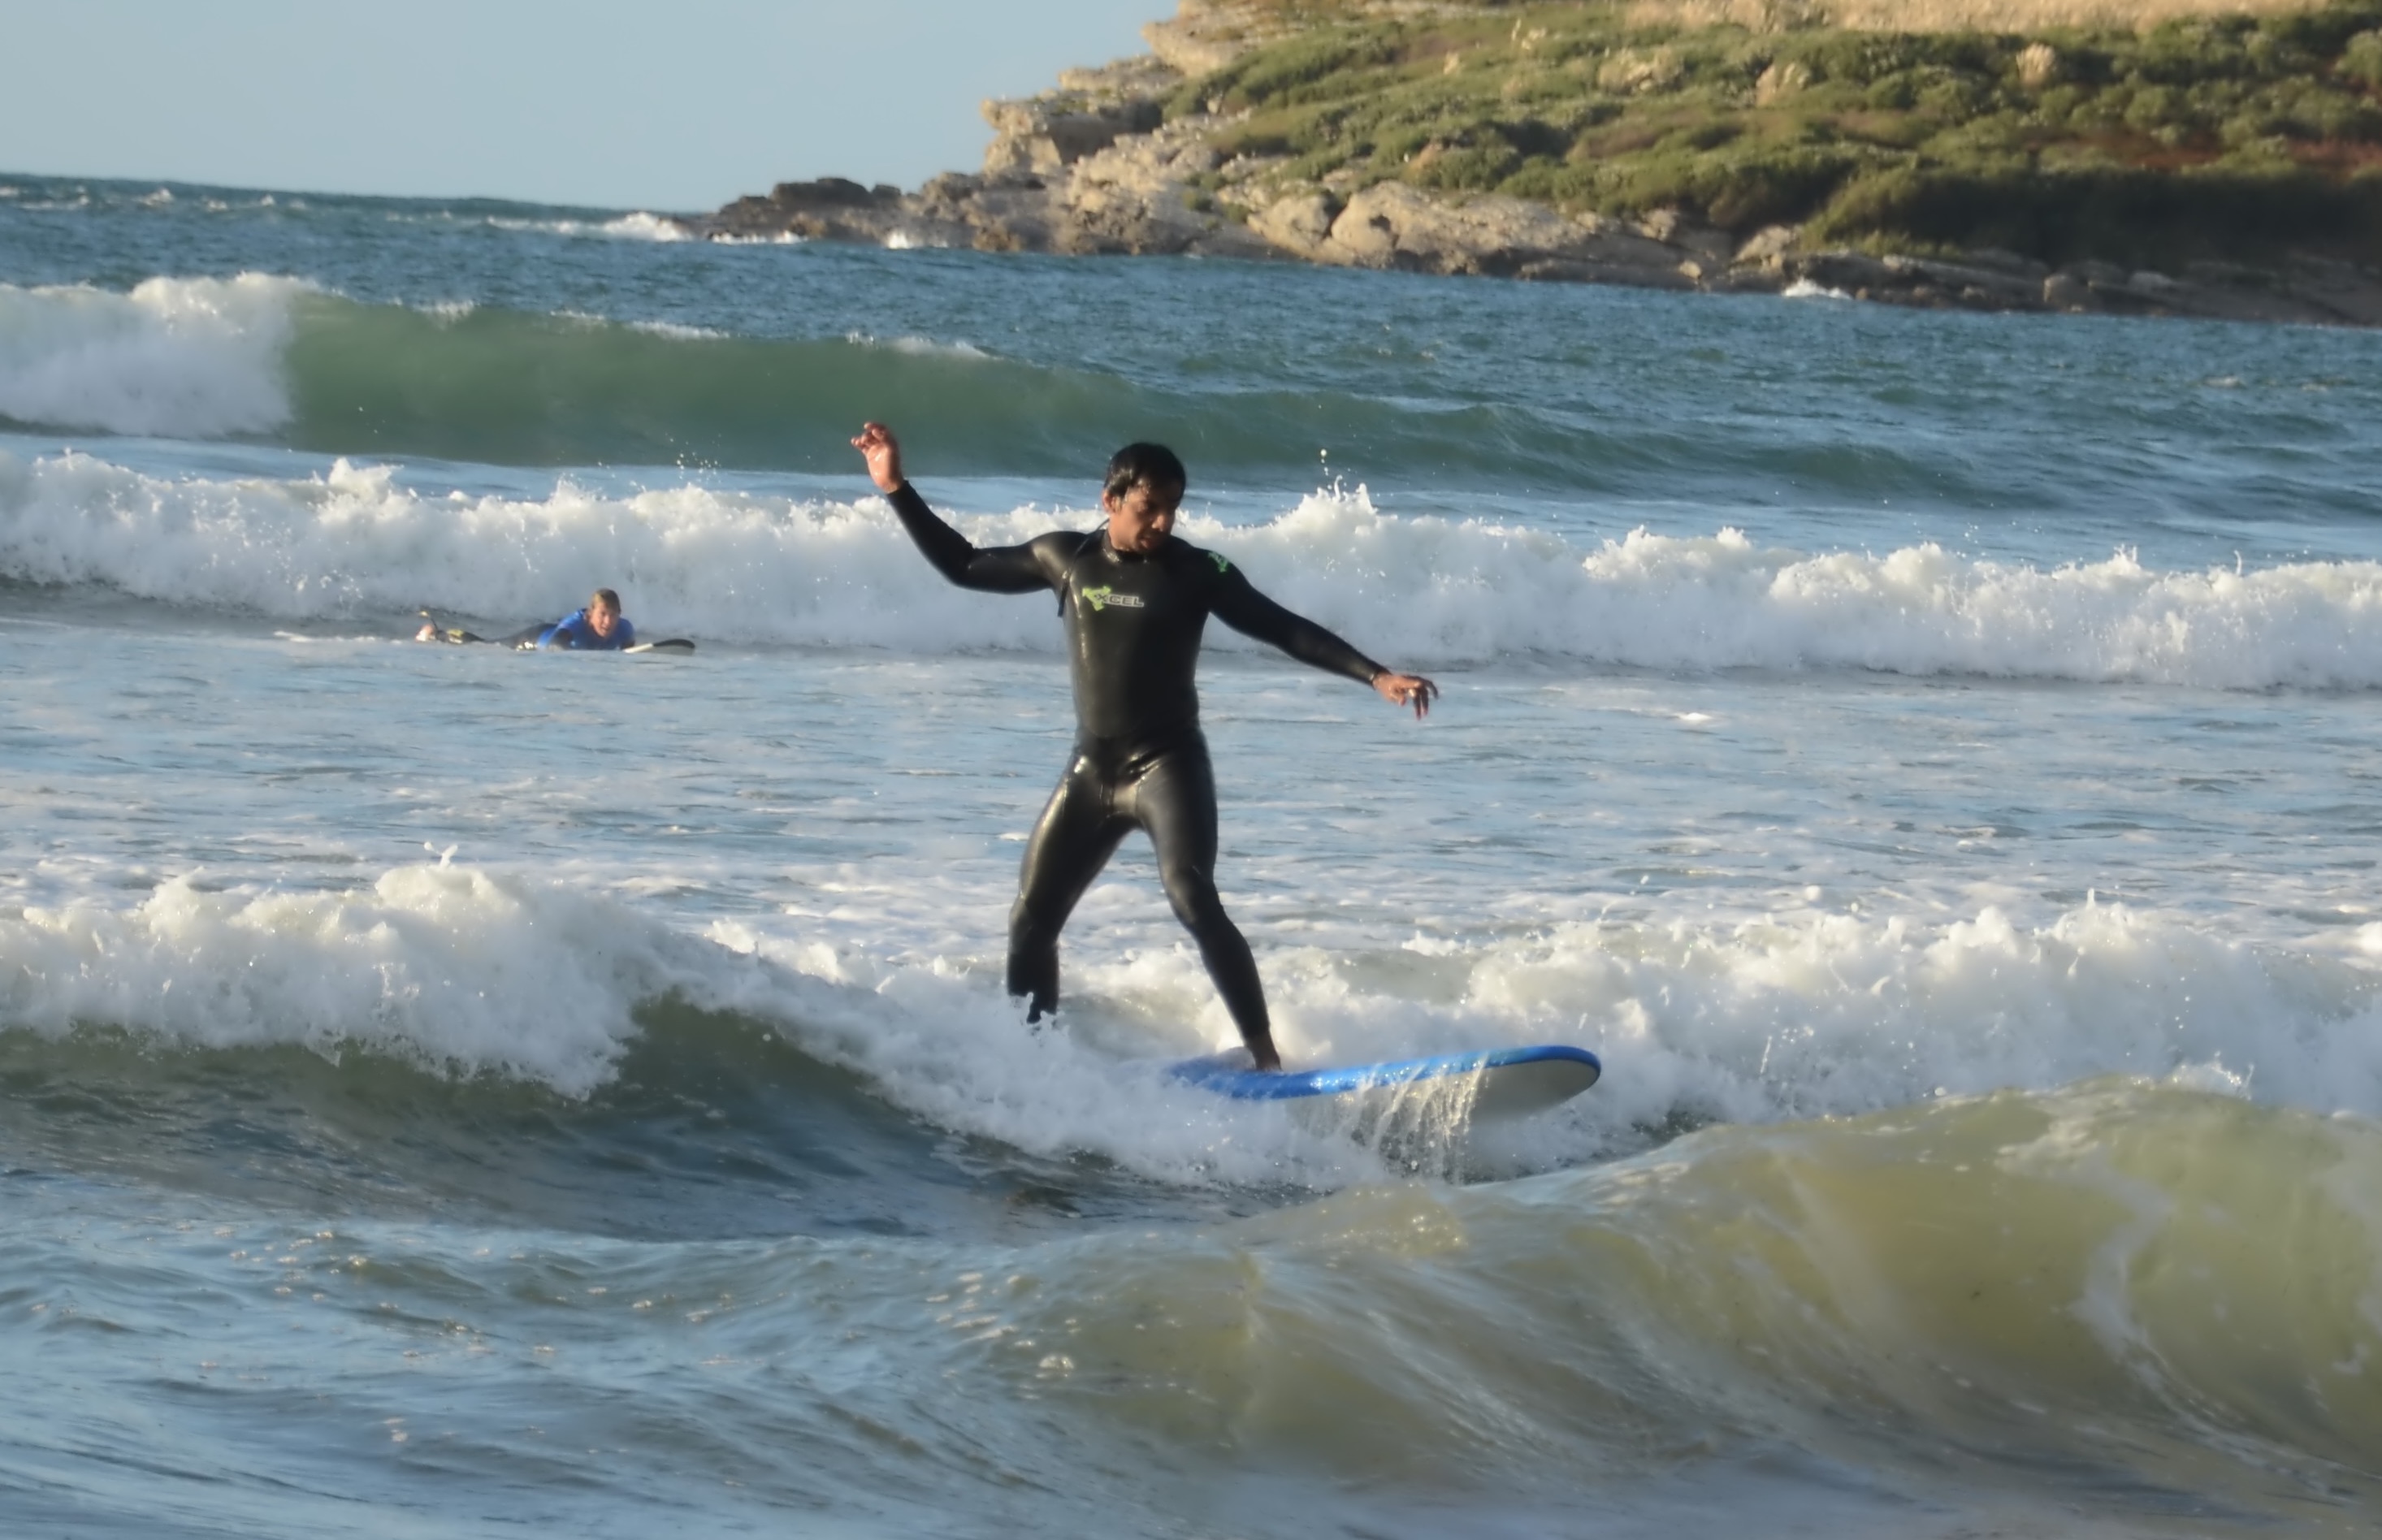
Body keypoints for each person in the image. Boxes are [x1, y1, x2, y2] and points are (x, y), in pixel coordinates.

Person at [852, 421, 1436, 1071]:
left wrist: (1376, 674)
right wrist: (895, 488)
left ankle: (1268, 1061)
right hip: (1091, 771)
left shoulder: (1197, 572)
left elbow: (1282, 627)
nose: (1161, 522)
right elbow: (964, 565)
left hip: (1167, 766)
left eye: (1171, 509)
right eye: (1147, 508)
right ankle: (1030, 1058)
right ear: (1111, 501)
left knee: (1191, 896)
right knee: (1031, 918)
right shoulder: (1065, 559)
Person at [415, 588, 638, 650]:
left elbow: (629, 645)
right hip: (533, 640)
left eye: (613, 615)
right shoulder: (576, 624)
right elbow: (555, 644)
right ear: (591, 615)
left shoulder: (624, 629)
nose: (608, 622)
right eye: (603, 615)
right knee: (483, 646)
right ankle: (435, 634)